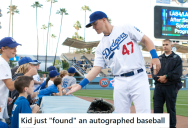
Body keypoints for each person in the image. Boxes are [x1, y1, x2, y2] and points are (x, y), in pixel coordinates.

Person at [66, 11, 161, 113]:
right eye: (92, 25)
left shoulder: (125, 28)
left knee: (144, 114)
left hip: (138, 77)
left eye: (95, 23)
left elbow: (146, 39)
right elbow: (96, 68)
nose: (93, 27)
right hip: (119, 81)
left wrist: (154, 56)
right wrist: (80, 84)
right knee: (120, 117)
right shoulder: (100, 47)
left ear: (104, 20)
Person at [152, 39, 182, 128]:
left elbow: (178, 73)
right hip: (159, 87)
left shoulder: (177, 58)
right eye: (163, 44)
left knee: (171, 109)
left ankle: (172, 126)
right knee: (157, 109)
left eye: (166, 44)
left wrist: (166, 76)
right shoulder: (158, 58)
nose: (164, 46)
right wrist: (159, 79)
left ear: (171, 46)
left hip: (171, 87)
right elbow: (153, 71)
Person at [7, 57, 38, 127]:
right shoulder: (19, 78)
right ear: (26, 66)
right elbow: (27, 122)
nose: (34, 67)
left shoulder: (21, 100)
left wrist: (29, 102)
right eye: (32, 65)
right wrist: (34, 111)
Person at [0, 37, 21, 121]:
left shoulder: (3, 63)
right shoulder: (2, 63)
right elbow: (11, 86)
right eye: (12, 48)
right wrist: (26, 76)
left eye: (16, 48)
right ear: (3, 49)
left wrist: (5, 98)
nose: (15, 50)